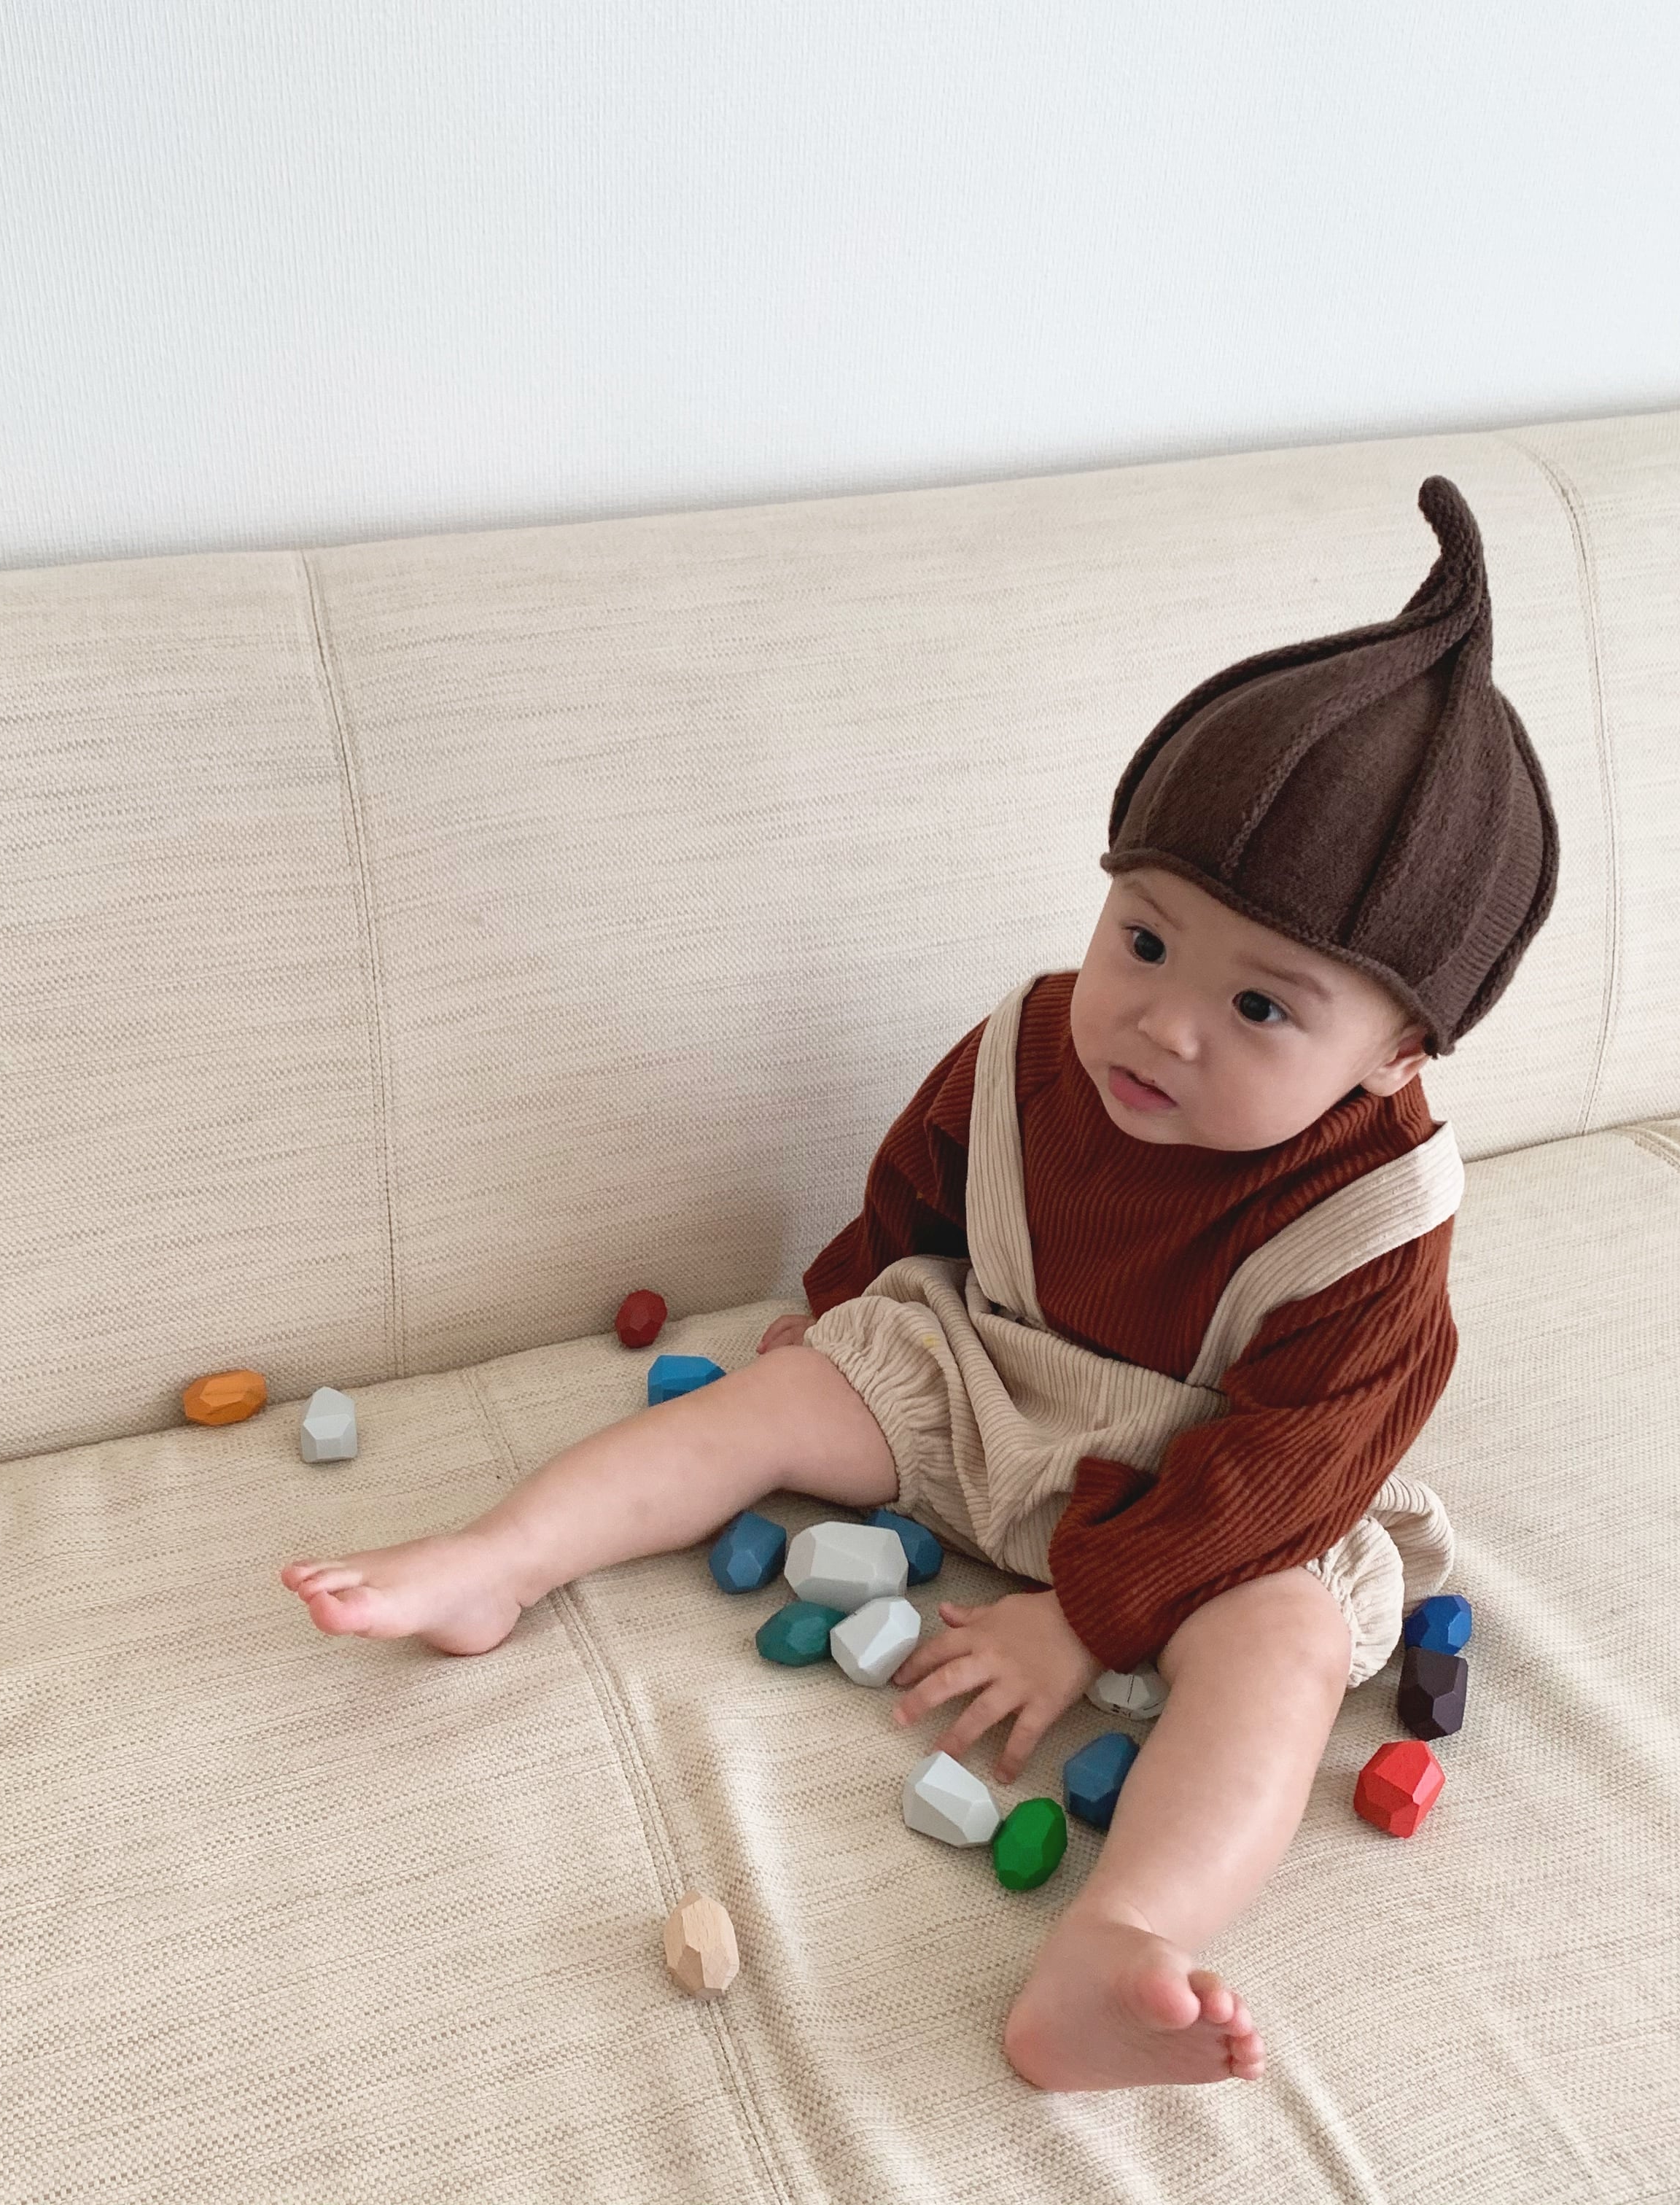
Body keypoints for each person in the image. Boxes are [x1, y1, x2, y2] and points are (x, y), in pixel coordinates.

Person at [278, 475, 1560, 2092]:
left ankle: (1118, 1946)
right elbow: (920, 1194)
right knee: (771, 1403)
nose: (1163, 1023)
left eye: (1262, 1009)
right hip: (989, 1375)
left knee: (1286, 1652)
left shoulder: (1378, 1225)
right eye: (1145, 940)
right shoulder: (1031, 1044)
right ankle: (497, 1560)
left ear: (1398, 1054)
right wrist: (836, 1322)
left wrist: (1083, 1621)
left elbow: (1296, 1463)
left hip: (1212, 1495)